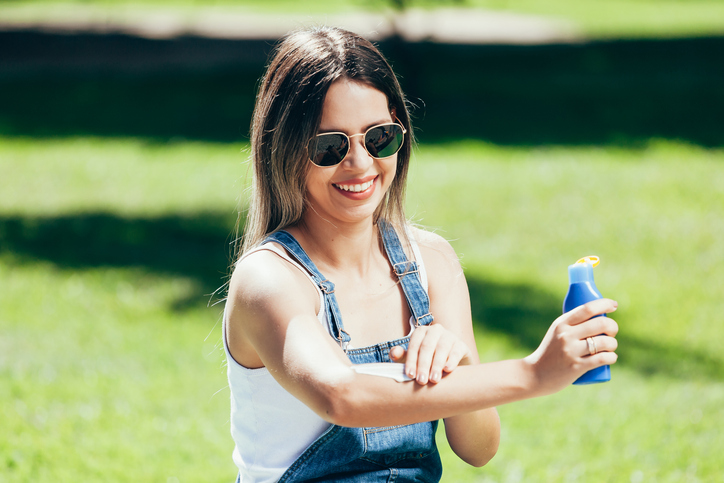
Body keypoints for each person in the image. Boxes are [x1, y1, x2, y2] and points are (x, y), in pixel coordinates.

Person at [223, 26, 619, 483]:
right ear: (287, 150)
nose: (360, 164)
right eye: (330, 146)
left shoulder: (432, 262)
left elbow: (478, 448)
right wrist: (533, 373)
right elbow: (343, 396)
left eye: (379, 137)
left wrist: (459, 364)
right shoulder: (270, 279)